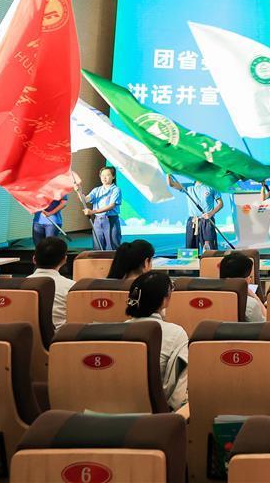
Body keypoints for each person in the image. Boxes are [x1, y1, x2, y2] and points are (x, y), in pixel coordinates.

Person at [125, 271, 189, 409]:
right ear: (165, 299)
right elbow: (176, 398)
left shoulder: (118, 331)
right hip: (156, 416)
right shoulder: (176, 334)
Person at [168, 174, 222, 252]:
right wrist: (168, 173)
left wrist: (211, 213)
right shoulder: (188, 186)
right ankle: (193, 260)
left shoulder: (211, 186)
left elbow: (220, 204)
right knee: (190, 250)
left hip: (207, 221)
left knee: (210, 249)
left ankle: (209, 259)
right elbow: (171, 184)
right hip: (192, 222)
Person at [29, 237, 73, 329]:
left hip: (28, 336)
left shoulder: (20, 286)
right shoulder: (73, 288)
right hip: (62, 336)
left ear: (34, 259)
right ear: (64, 260)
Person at [81, 167, 122, 250]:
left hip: (110, 220)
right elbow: (85, 200)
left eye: (107, 175)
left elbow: (111, 206)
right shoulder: (96, 190)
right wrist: (79, 190)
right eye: (102, 175)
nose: (104, 177)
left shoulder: (116, 190)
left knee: (112, 247)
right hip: (97, 220)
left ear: (113, 177)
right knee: (97, 246)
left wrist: (93, 212)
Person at [219, 252, 265, 323]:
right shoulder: (251, 304)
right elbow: (267, 323)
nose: (250, 279)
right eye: (249, 277)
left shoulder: (212, 297)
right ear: (244, 280)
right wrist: (255, 297)